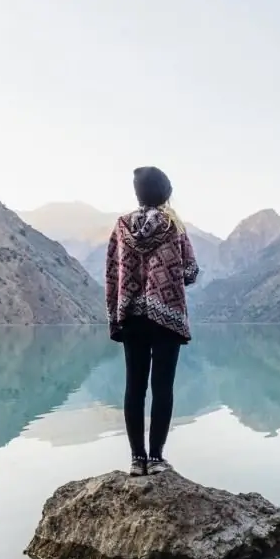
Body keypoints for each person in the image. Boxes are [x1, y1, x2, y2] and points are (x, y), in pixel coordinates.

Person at [105, 166, 199, 476]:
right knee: (162, 387)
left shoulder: (121, 226)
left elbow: (112, 271)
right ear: (166, 193)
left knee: (134, 387)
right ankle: (157, 459)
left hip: (132, 316)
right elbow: (190, 272)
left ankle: (136, 460)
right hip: (167, 317)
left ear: (138, 193)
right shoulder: (174, 226)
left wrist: (119, 308)